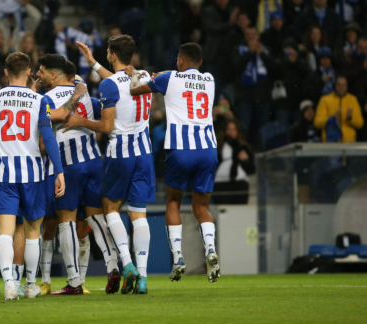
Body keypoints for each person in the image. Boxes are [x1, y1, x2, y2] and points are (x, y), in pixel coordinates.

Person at [0, 51, 65, 300]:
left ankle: (10, 284)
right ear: (28, 72)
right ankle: (31, 285)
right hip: (33, 175)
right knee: (33, 232)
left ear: (5, 73)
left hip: (4, 174)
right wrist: (59, 171)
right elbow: (48, 138)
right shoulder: (39, 100)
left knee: (4, 232)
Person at [126, 42, 221, 283]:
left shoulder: (168, 78)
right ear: (200, 63)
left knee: (173, 203)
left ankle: (178, 256)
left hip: (181, 149)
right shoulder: (210, 79)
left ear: (179, 60)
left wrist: (135, 75)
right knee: (202, 208)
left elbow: (135, 90)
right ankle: (210, 249)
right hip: (208, 149)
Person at [68, 35, 154, 294]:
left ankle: (127, 265)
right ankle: (144, 276)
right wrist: (93, 63)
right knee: (139, 214)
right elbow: (119, 81)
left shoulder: (108, 86)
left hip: (121, 152)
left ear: (113, 55)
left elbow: (106, 127)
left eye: (107, 52)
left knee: (111, 208)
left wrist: (79, 121)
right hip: (145, 152)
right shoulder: (144, 75)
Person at [36, 55, 117, 295]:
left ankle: (73, 281)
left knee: (67, 222)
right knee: (96, 219)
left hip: (68, 166)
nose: (38, 75)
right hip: (94, 162)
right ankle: (112, 265)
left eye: (41, 71)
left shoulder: (46, 99)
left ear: (54, 74)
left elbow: (58, 117)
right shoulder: (86, 94)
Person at [213, 119, 254, 205]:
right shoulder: (218, 145)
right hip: (221, 183)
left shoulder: (244, 147)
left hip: (239, 183)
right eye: (229, 129)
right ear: (224, 131)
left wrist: (245, 160)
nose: (231, 132)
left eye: (233, 129)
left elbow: (251, 170)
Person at [314, 76, 364, 142]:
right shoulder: (325, 100)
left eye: (344, 85)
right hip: (330, 143)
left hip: (349, 143)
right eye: (339, 85)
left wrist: (350, 119)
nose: (341, 88)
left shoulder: (353, 100)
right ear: (335, 85)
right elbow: (317, 123)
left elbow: (360, 124)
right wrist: (332, 118)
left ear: (347, 86)